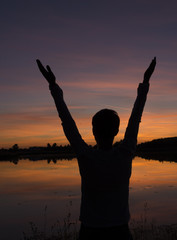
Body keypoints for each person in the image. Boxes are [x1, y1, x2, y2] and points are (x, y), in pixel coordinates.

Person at [36, 57, 156, 240]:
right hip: (120, 232)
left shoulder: (86, 156)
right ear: (116, 131)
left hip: (90, 232)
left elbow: (67, 122)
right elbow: (135, 118)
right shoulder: (124, 154)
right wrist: (145, 82)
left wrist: (53, 86)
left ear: (93, 131)